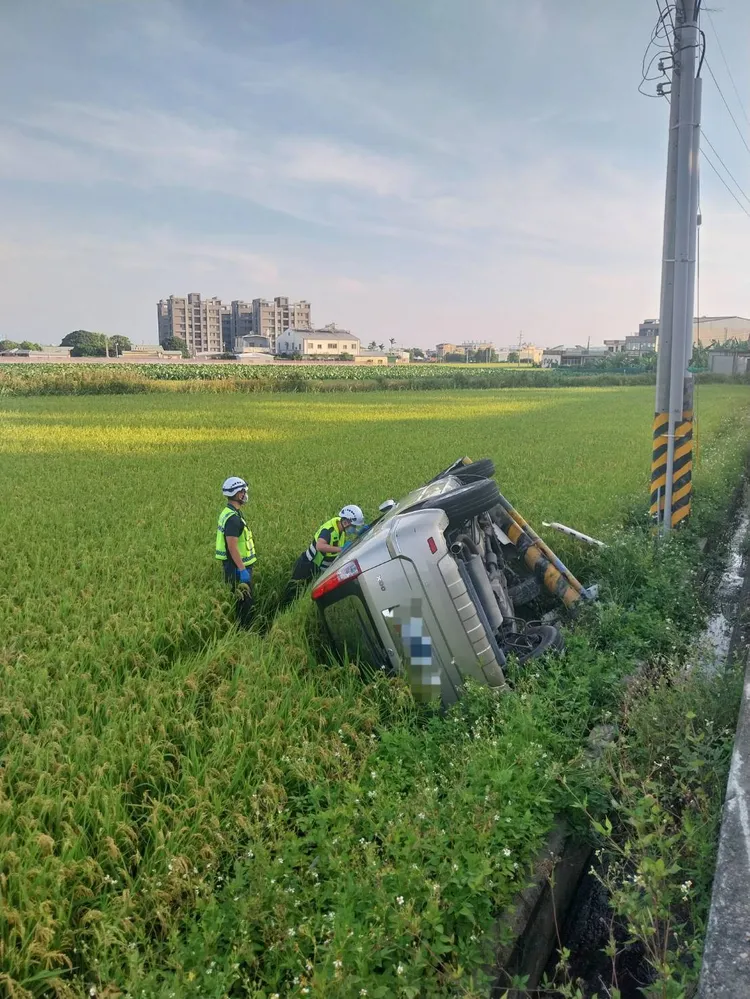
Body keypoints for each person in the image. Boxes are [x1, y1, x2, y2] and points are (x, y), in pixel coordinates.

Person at [284, 504, 365, 604]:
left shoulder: (341, 528)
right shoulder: (329, 530)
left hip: (318, 568)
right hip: (307, 565)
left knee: (305, 593)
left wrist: (359, 532)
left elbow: (350, 530)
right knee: (292, 592)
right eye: (354, 526)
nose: (354, 528)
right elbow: (320, 546)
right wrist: (341, 549)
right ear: (345, 522)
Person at [215, 476, 257, 629]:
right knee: (244, 603)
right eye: (244, 491)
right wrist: (242, 570)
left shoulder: (229, 512)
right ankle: (245, 631)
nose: (245, 495)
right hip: (237, 567)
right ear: (239, 495)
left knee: (242, 600)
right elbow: (232, 547)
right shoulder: (233, 519)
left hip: (235, 566)